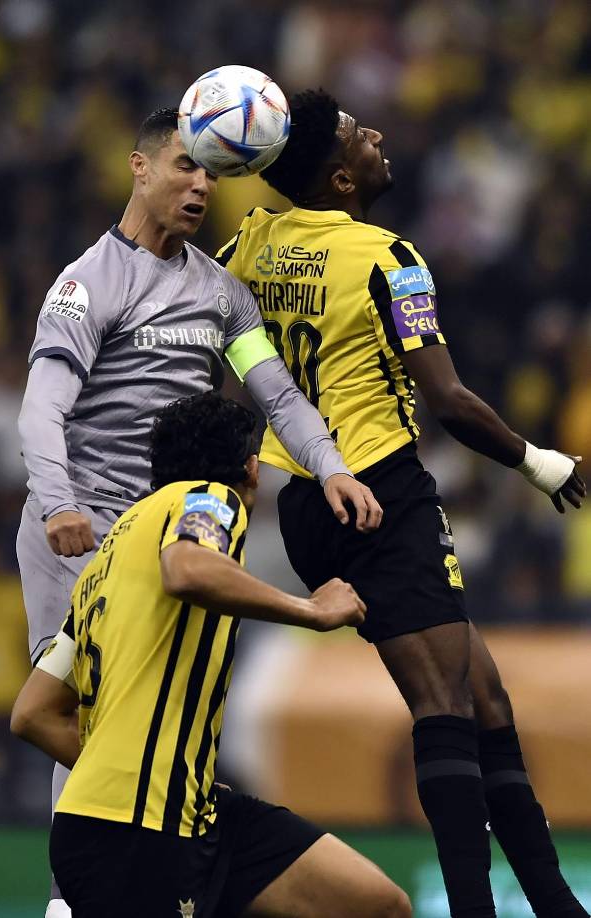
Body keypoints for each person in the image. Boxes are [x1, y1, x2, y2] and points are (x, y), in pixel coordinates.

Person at [216, 89, 589, 918]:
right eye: (358, 135)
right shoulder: (387, 257)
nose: (378, 136)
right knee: (444, 706)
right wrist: (541, 465)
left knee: (484, 696)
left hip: (305, 502)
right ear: (343, 177)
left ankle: (556, 904)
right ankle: (472, 910)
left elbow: (218, 330)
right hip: (382, 492)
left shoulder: (254, 241)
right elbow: (451, 403)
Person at [16, 108, 381, 917]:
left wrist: (332, 469)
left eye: (213, 172)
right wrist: (59, 503)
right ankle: (69, 898)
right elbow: (40, 410)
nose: (200, 186)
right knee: (86, 702)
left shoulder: (221, 295)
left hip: (173, 525)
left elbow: (275, 391)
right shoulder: (88, 284)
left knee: (172, 702)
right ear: (139, 167)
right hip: (81, 526)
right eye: (185, 166)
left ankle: (162, 835)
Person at [11, 392, 411, 918]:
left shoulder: (104, 562)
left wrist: (154, 770)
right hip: (135, 834)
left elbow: (32, 712)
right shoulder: (208, 498)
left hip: (188, 810)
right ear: (250, 468)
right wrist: (312, 610)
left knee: (377, 905)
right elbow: (188, 570)